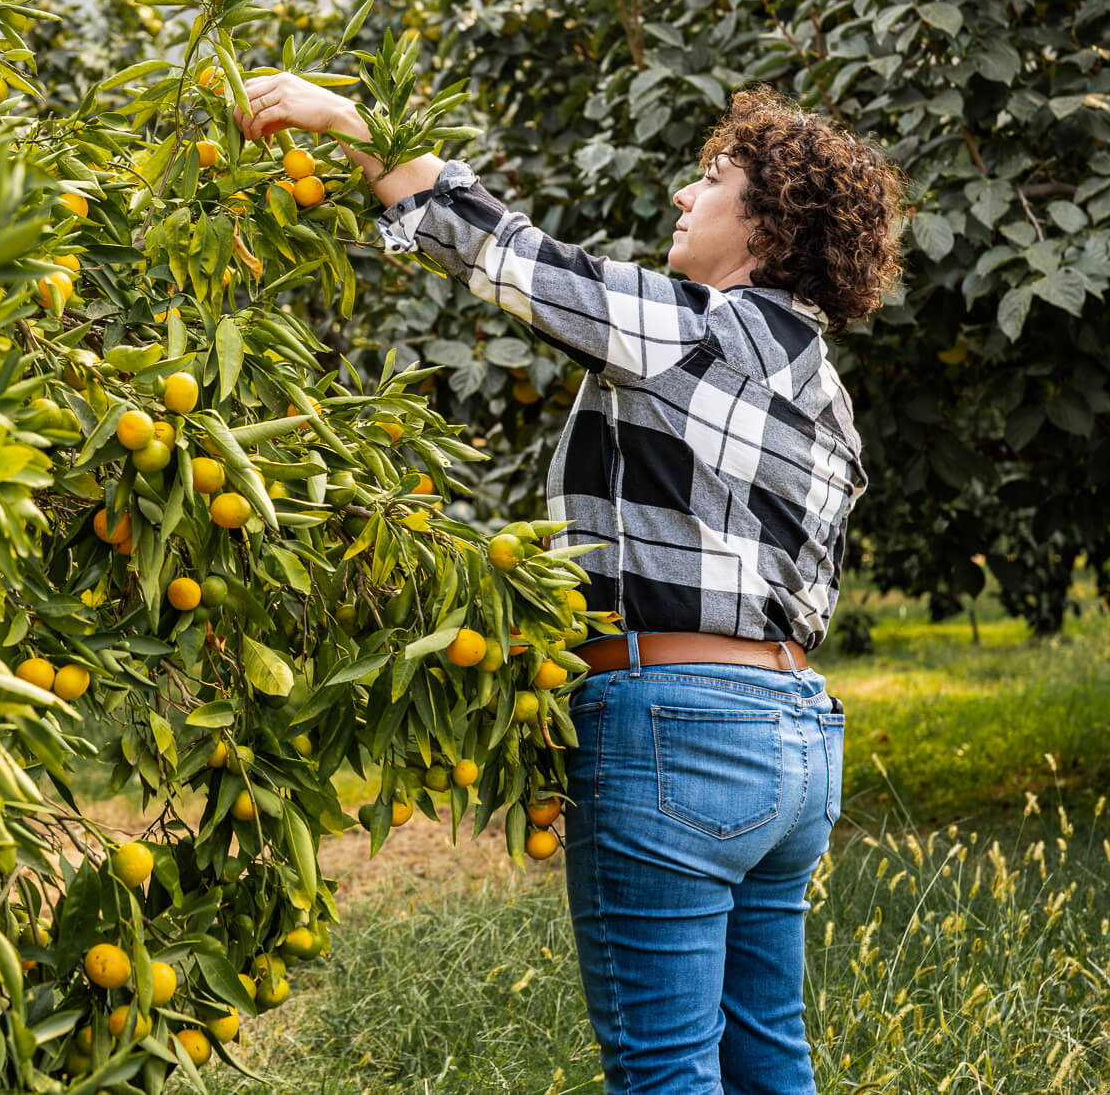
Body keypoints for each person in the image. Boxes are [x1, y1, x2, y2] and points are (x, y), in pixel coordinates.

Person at [234, 73, 910, 1095]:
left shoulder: (691, 329)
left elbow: (504, 255)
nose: (682, 199)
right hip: (795, 739)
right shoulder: (821, 386)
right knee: (767, 1058)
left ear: (767, 227)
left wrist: (351, 127)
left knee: (663, 1072)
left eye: (711, 181)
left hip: (678, 732)